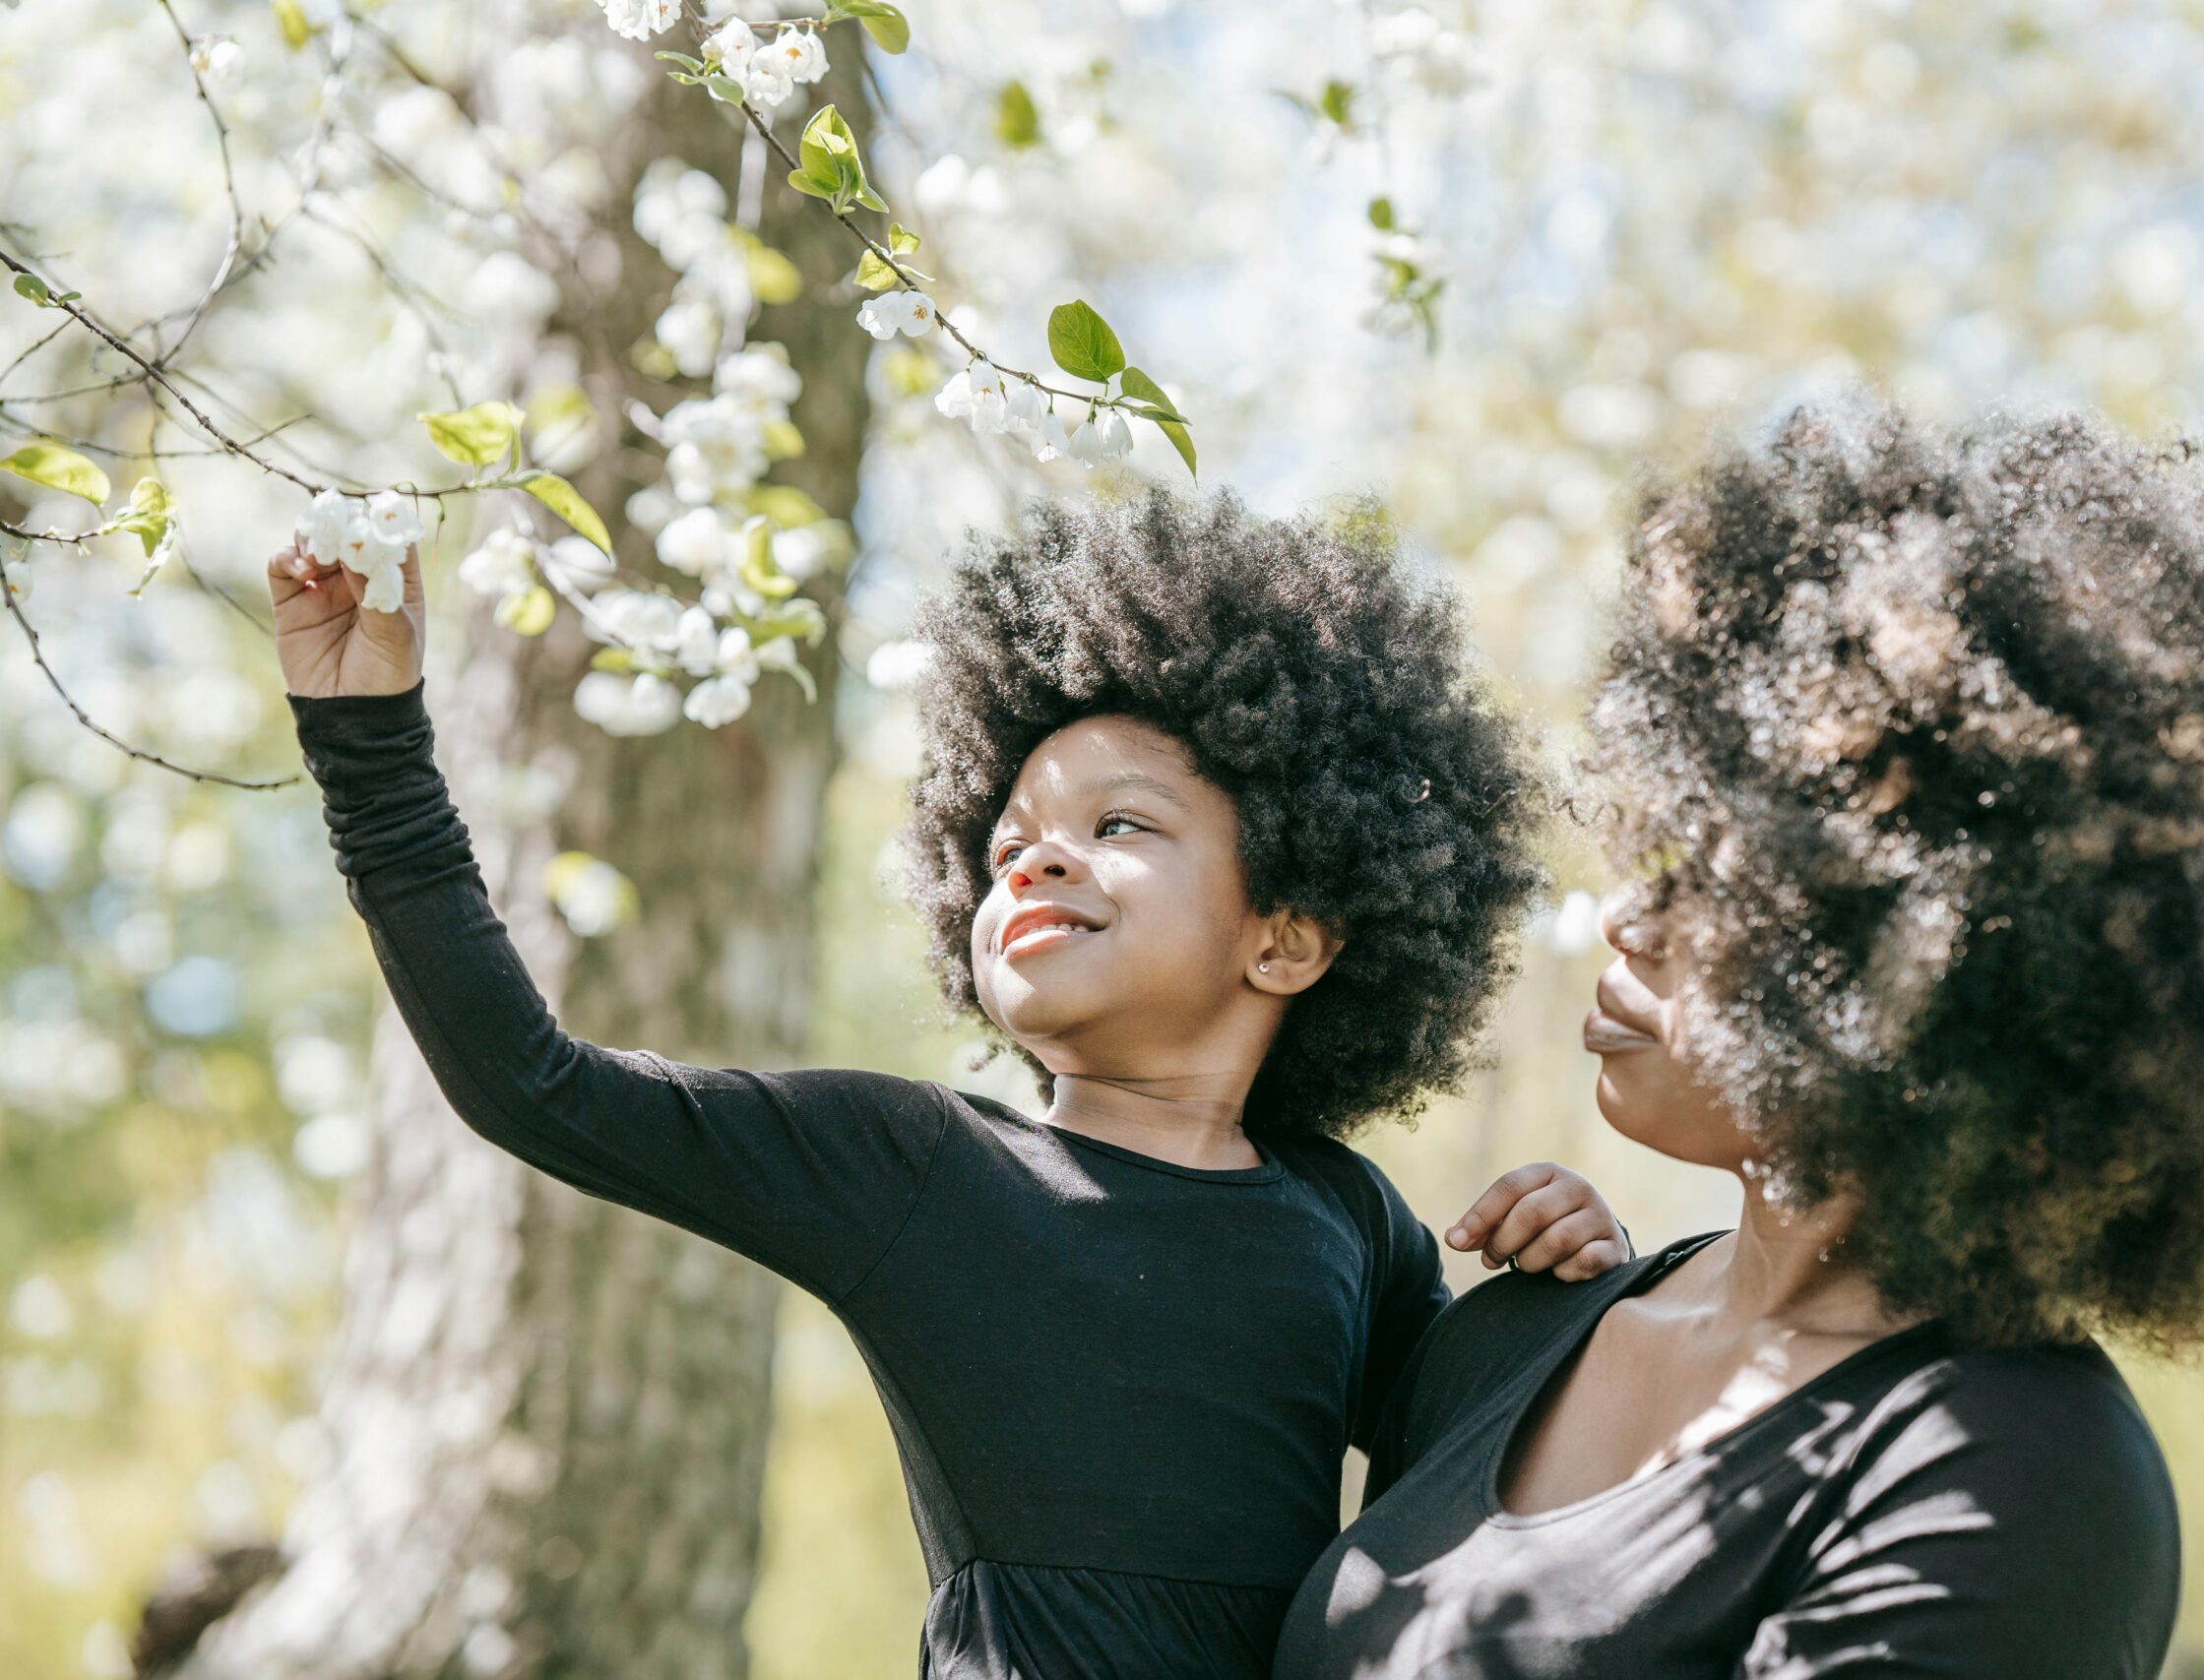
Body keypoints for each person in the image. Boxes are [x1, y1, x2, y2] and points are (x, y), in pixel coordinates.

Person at [269, 490, 1629, 1680]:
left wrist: (1571, 1268)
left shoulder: (1349, 1219)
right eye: (1008, 844)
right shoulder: (915, 1166)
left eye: (1119, 827)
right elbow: (530, 1083)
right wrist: (368, 739)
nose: (1033, 863)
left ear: (1287, 935)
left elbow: (1484, 1477)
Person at [1276, 404, 2204, 1678]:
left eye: (1723, 886)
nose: (1630, 918)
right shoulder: (1523, 1327)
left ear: (1936, 987)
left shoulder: (2012, 1472)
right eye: (1661, 854)